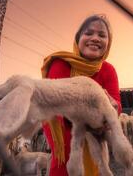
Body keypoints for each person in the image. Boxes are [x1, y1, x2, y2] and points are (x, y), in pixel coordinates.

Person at [41, 14, 122, 176]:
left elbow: (116, 106)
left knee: (97, 164)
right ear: (78, 38)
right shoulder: (61, 64)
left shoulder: (108, 70)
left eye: (102, 35)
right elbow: (56, 106)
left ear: (109, 43)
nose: (95, 38)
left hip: (96, 135)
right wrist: (94, 111)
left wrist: (112, 107)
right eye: (88, 33)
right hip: (66, 136)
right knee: (65, 166)